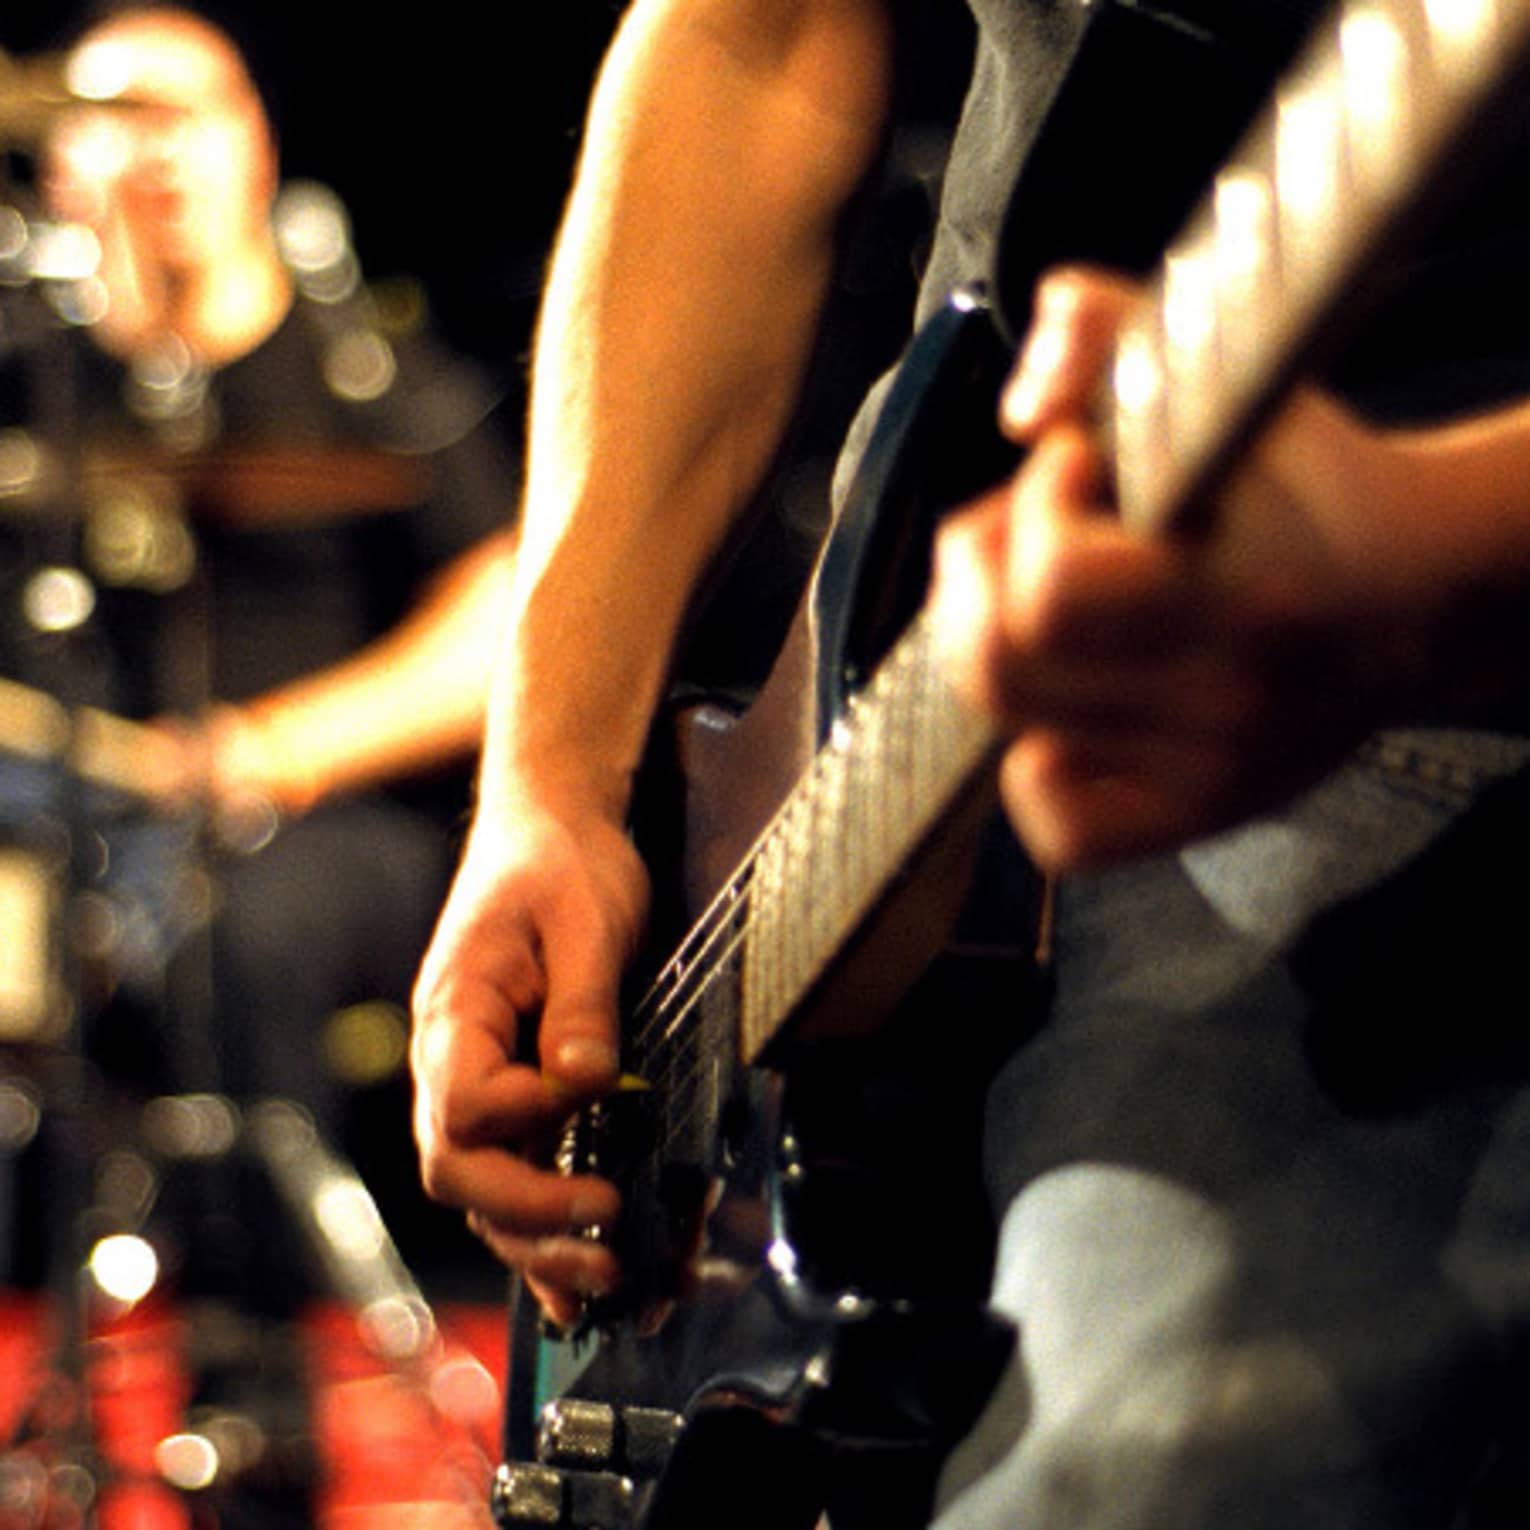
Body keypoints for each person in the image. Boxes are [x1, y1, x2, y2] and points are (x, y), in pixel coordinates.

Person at [411, 0, 1530, 1524]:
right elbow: (757, 39)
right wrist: (551, 777)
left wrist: (1427, 555)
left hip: (1425, 682)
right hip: (910, 666)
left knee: (1126, 1478)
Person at [30, 7, 517, 1257]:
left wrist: (262, 749)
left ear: (254, 144)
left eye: (186, 116)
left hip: (331, 829)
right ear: (55, 165)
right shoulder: (34, 384)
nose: (157, 156)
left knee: (237, 937)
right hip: (84, 828)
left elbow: (502, 615)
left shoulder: (367, 374)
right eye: (115, 124)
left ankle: (258, 1365)